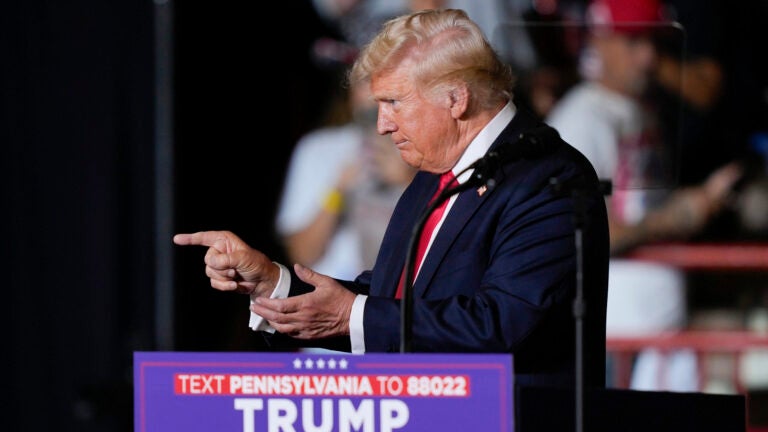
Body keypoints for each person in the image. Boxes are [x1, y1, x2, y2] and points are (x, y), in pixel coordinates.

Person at [174, 8, 610, 388]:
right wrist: (274, 285)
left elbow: (503, 324)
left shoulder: (548, 178)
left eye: (394, 102)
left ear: (456, 99)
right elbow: (390, 298)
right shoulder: (434, 173)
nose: (382, 125)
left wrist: (353, 315)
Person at [545, 0, 743, 391]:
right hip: (612, 344)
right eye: (633, 42)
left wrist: (700, 202)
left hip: (658, 342)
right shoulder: (580, 120)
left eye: (653, 42)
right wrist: (680, 215)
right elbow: (576, 232)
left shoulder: (642, 112)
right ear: (599, 42)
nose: (649, 58)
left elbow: (637, 209)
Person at [276, 77, 416, 281]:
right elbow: (302, 255)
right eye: (364, 80)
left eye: (382, 79)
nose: (372, 94)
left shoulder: (419, 147)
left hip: (395, 300)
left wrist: (408, 182)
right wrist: (337, 192)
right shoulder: (318, 148)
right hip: (331, 298)